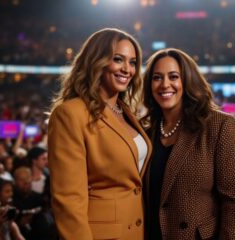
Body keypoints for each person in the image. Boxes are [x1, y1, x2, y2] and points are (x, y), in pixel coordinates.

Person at [48, 28, 152, 240]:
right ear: (96, 60)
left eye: (133, 62)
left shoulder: (126, 112)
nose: (127, 69)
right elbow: (69, 200)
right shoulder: (70, 114)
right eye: (118, 59)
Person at [141, 48, 235, 240]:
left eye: (173, 77)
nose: (165, 85)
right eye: (157, 77)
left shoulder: (218, 125)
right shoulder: (145, 130)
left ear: (187, 81)